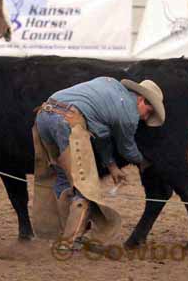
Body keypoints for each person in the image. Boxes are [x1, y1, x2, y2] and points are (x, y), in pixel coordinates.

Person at [32, 77, 165, 249]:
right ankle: (70, 241)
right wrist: (144, 162)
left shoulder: (110, 87)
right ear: (141, 99)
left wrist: (112, 167)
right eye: (149, 111)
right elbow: (127, 148)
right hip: (67, 121)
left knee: (64, 178)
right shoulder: (129, 115)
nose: (147, 118)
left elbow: (102, 136)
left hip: (43, 116)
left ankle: (62, 232)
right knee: (84, 184)